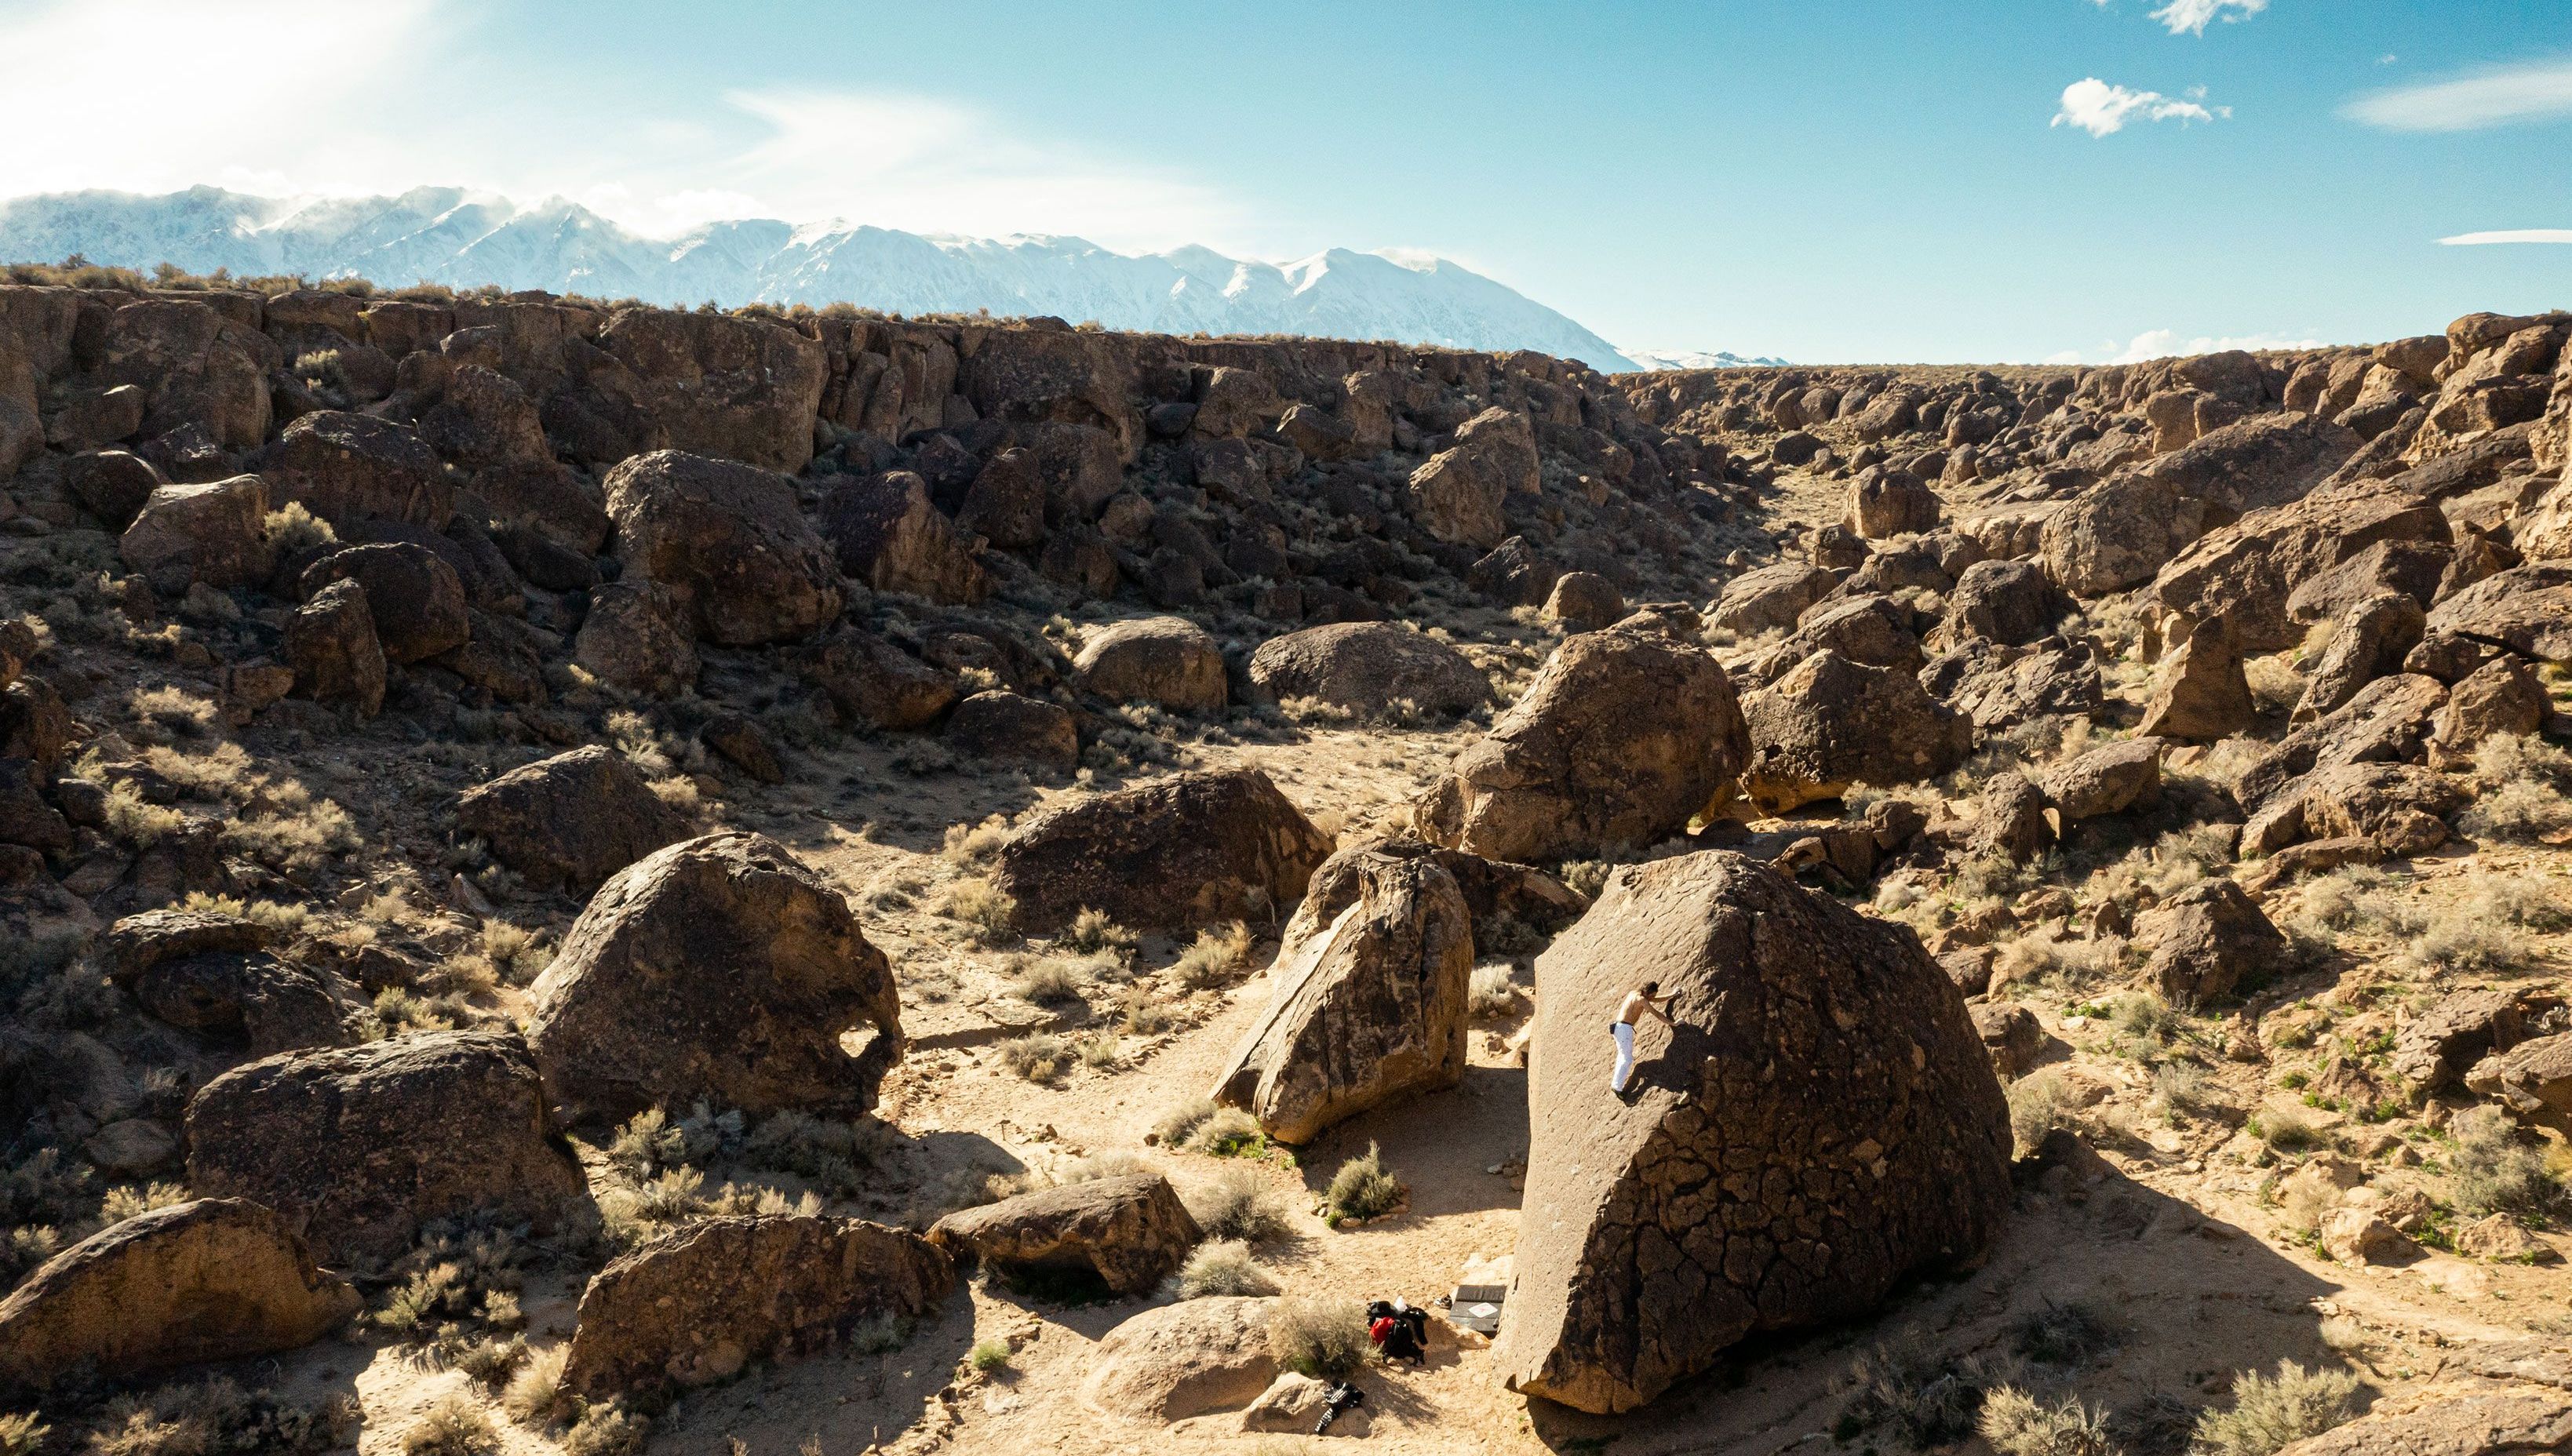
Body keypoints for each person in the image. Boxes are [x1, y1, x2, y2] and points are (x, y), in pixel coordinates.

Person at [1612, 981, 1673, 1099]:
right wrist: (1673, 1024)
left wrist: (1671, 995)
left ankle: (1616, 1084)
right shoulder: (1641, 1000)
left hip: (1618, 1027)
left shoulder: (1634, 993)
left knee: (1623, 1055)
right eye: (1652, 995)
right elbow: (1657, 1014)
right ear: (1647, 992)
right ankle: (1617, 1087)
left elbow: (1655, 1000)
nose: (1653, 997)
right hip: (1624, 1029)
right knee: (1627, 1058)